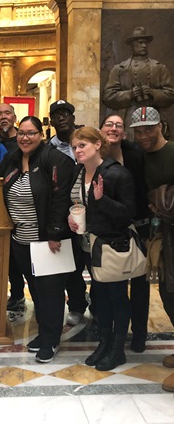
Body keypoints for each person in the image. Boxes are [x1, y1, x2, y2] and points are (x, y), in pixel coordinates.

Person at [0, 116, 75, 363]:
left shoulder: (54, 159)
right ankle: (44, 333)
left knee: (50, 293)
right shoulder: (13, 159)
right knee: (37, 291)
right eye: (22, 133)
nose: (25, 138)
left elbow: (61, 198)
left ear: (41, 135)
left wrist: (54, 232)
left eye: (31, 133)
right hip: (21, 239)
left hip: (47, 240)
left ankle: (51, 339)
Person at [69, 127, 135, 371]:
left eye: (83, 145)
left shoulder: (118, 174)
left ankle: (117, 349)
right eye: (75, 147)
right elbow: (78, 203)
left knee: (117, 297)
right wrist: (72, 217)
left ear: (98, 144)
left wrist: (102, 200)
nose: (78, 150)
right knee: (101, 298)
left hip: (112, 246)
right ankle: (104, 343)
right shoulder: (79, 173)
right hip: (90, 245)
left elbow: (128, 212)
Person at [130, 106, 174, 392]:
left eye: (149, 128)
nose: (144, 134)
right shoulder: (142, 157)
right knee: (168, 292)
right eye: (139, 130)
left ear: (161, 126)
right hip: (163, 232)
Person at [99, 113, 150, 353]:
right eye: (109, 124)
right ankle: (107, 332)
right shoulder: (95, 155)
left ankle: (139, 332)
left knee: (139, 282)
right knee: (109, 286)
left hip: (137, 226)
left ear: (124, 133)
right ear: (100, 131)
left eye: (118, 125)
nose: (114, 128)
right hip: (107, 232)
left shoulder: (136, 155)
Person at [47, 99, 90, 327]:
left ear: (73, 118)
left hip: (91, 213)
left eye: (66, 114)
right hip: (63, 217)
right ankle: (76, 305)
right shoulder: (48, 149)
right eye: (57, 115)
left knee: (94, 263)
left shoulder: (87, 142)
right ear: (52, 120)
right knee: (71, 265)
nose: (62, 118)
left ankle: (99, 304)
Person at [103, 26, 174, 138]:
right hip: (128, 119)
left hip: (154, 117)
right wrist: (130, 94)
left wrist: (152, 92)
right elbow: (108, 97)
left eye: (145, 43)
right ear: (132, 45)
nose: (144, 46)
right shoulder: (120, 69)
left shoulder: (159, 68)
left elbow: (170, 95)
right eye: (140, 43)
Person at [0, 103, 24, 312]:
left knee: (21, 254)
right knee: (6, 256)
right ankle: (16, 294)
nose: (3, 117)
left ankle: (21, 292)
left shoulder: (23, 139)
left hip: (22, 204)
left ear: (14, 117)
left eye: (7, 113)